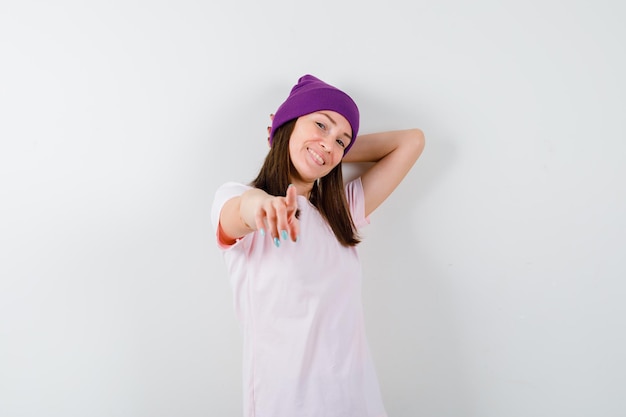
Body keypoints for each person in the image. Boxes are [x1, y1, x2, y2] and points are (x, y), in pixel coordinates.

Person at [211, 74, 425, 417]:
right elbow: (242, 211)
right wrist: (261, 208)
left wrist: (322, 144)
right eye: (321, 124)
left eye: (343, 140)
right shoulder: (237, 196)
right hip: (286, 404)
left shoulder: (341, 216)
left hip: (358, 401)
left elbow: (411, 142)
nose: (330, 143)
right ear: (288, 123)